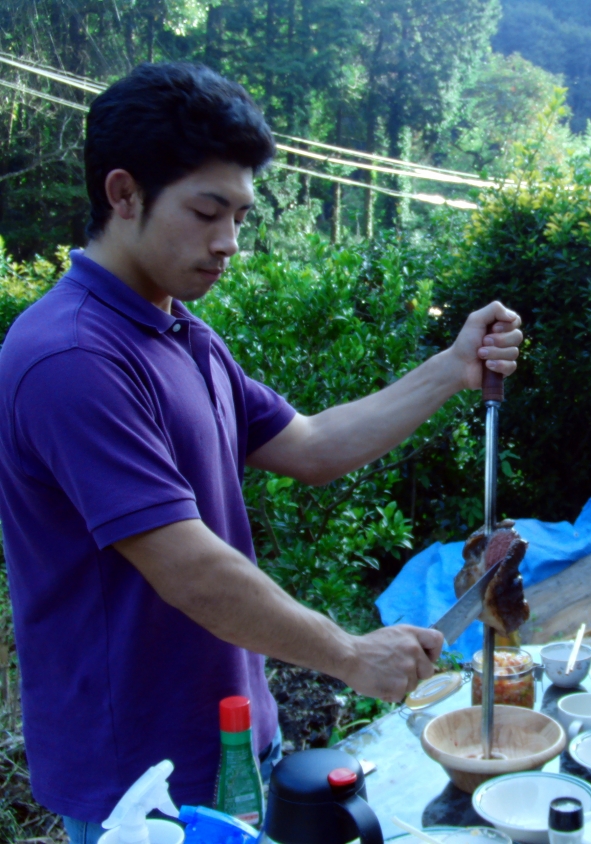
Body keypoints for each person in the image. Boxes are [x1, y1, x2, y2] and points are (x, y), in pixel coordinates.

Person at [0, 63, 523, 837]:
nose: (230, 242)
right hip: (143, 782)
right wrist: (348, 653)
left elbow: (310, 446)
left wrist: (450, 370)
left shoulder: (180, 334)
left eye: (241, 214)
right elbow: (186, 566)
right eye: (208, 212)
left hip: (235, 737)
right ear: (122, 193)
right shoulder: (71, 357)